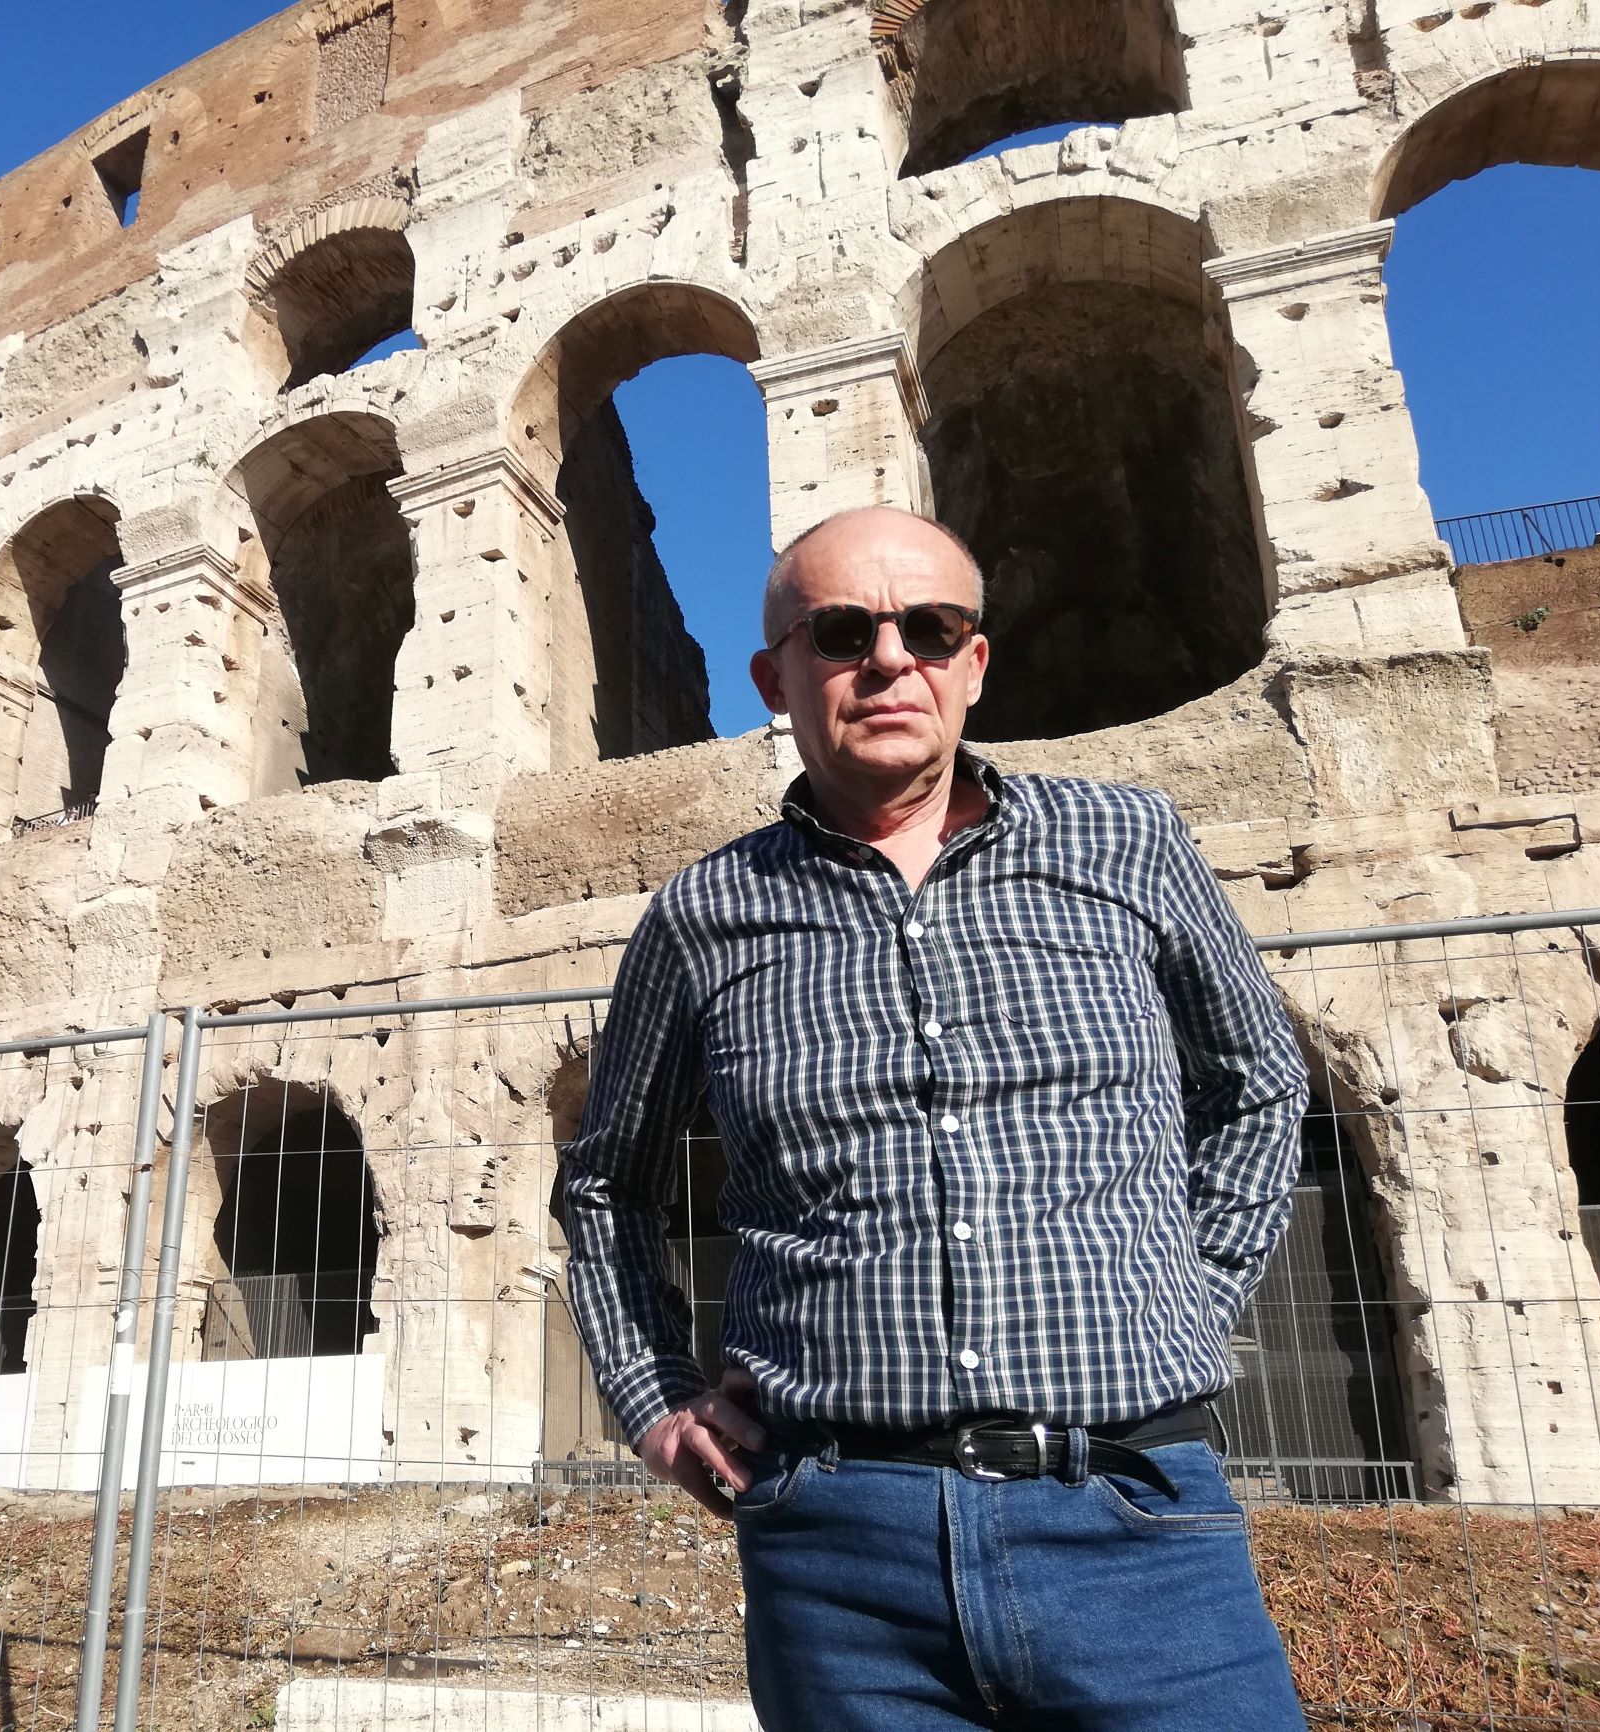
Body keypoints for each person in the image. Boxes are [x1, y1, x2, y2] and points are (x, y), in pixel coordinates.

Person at [561, 507, 1308, 1731]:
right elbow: (606, 1183)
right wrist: (649, 1395)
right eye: (842, 630)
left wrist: (1195, 1290)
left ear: (972, 661)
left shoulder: (1127, 843)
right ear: (777, 675)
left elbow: (1256, 1084)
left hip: (1131, 1513)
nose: (888, 657)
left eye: (930, 627)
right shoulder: (704, 914)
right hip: (837, 1547)